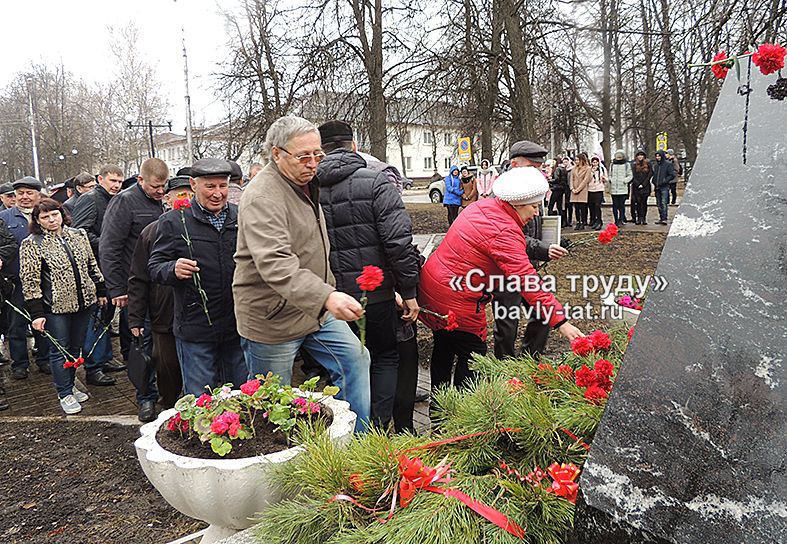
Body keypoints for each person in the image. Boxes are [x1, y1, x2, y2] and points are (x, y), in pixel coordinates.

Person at [233, 115, 371, 431]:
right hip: (273, 318)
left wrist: (328, 295)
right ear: (277, 153)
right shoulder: (262, 196)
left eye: (317, 154)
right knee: (273, 405)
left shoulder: (307, 183)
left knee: (356, 360)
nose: (313, 163)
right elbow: (276, 264)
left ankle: (355, 444)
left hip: (316, 311)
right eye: (303, 156)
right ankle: (280, 469)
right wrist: (327, 296)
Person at [419, 167, 583, 391]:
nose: (537, 213)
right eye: (534, 206)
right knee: (473, 356)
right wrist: (561, 323)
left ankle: (438, 415)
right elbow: (526, 280)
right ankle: (461, 414)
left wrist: (542, 250)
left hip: (434, 289)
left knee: (444, 348)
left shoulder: (484, 207)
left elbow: (504, 245)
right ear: (516, 204)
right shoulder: (503, 231)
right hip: (459, 300)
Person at [316, 120, 420, 429]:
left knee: (345, 366)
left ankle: (348, 428)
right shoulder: (376, 183)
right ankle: (374, 428)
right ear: (354, 145)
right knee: (385, 357)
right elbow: (398, 243)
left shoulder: (309, 188)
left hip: (329, 297)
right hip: (374, 294)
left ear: (321, 150)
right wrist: (409, 290)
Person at [149, 159, 247, 401]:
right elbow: (154, 266)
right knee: (202, 401)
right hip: (196, 328)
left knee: (240, 398)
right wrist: (172, 268)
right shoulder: (173, 222)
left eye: (222, 186)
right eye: (210, 187)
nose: (218, 194)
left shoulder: (240, 217)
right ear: (193, 185)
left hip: (237, 326)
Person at [19, 199, 106, 414]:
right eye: (45, 217)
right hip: (55, 306)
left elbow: (91, 265)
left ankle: (71, 384)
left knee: (75, 348)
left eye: (54, 214)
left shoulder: (78, 235)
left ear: (62, 214)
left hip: (84, 302)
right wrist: (37, 313)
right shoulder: (33, 243)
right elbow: (30, 280)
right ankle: (64, 393)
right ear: (38, 220)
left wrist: (101, 290)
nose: (51, 220)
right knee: (59, 350)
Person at [100, 158, 167, 421]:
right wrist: (116, 288)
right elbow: (109, 247)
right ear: (141, 180)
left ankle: (167, 392)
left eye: (164, 186)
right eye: (155, 186)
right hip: (137, 288)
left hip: (165, 288)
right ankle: (145, 397)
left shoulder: (164, 202)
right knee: (142, 345)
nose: (160, 191)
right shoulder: (124, 202)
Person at [493, 141, 570, 359]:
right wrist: (543, 249)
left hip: (528, 266)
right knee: (507, 323)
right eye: (533, 166)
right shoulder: (503, 192)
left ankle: (531, 359)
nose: (539, 171)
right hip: (505, 269)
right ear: (514, 164)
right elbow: (508, 237)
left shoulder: (533, 186)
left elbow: (537, 224)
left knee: (543, 313)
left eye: (540, 167)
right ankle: (504, 369)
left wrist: (555, 240)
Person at [128, 176, 191, 409]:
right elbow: (138, 277)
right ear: (168, 198)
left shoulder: (206, 227)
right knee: (166, 366)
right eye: (182, 195)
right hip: (163, 314)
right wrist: (136, 316)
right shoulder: (151, 232)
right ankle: (169, 408)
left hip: (198, 314)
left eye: (191, 195)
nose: (187, 201)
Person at [71, 164, 124, 384]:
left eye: (120, 182)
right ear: (100, 179)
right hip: (95, 268)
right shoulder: (90, 199)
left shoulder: (115, 199)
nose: (117, 186)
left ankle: (105, 358)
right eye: (113, 181)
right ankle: (93, 367)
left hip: (110, 266)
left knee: (107, 315)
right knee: (97, 317)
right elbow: (80, 232)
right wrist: (109, 243)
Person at [0, 177, 51, 379]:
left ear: (38, 195)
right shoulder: (4, 218)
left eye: (29, 193)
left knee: (44, 321)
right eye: (20, 193)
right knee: (16, 324)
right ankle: (19, 364)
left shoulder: (47, 216)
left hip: (44, 280)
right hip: (16, 282)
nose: (24, 197)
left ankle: (44, 359)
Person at [608, 150, 632, 226]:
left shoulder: (627, 165)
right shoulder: (612, 165)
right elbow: (610, 174)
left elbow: (630, 175)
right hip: (614, 189)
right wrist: (611, 180)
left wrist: (625, 181)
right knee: (615, 205)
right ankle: (616, 220)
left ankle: (621, 219)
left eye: (620, 156)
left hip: (623, 189)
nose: (618, 157)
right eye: (617, 156)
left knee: (621, 205)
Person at [652, 150, 675, 225]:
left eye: (659, 156)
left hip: (664, 186)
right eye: (656, 156)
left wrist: (665, 181)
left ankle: (664, 218)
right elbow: (654, 174)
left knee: (664, 202)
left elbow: (672, 175)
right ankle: (661, 217)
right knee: (658, 203)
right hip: (657, 186)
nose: (658, 157)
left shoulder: (668, 164)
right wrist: (654, 181)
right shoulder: (656, 165)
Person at [570, 153, 592, 230]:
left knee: (582, 207)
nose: (576, 161)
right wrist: (572, 188)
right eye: (575, 160)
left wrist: (578, 189)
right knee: (576, 208)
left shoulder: (588, 168)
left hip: (582, 190)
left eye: (577, 160)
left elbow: (585, 180)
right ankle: (578, 222)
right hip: (574, 190)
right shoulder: (574, 168)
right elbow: (571, 179)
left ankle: (583, 222)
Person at [631, 150, 652, 225]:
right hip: (636, 186)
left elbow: (650, 174)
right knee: (638, 203)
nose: (640, 157)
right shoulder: (634, 164)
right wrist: (637, 183)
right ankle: (638, 218)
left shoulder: (648, 164)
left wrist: (644, 184)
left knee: (644, 203)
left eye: (641, 155)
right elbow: (632, 175)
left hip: (645, 186)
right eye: (638, 155)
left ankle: (644, 218)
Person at [548, 156, 568, 224]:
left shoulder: (557, 169)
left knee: (551, 205)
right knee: (560, 206)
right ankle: (562, 222)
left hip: (556, 189)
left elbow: (556, 179)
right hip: (561, 189)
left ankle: (550, 221)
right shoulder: (563, 169)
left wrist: (549, 180)